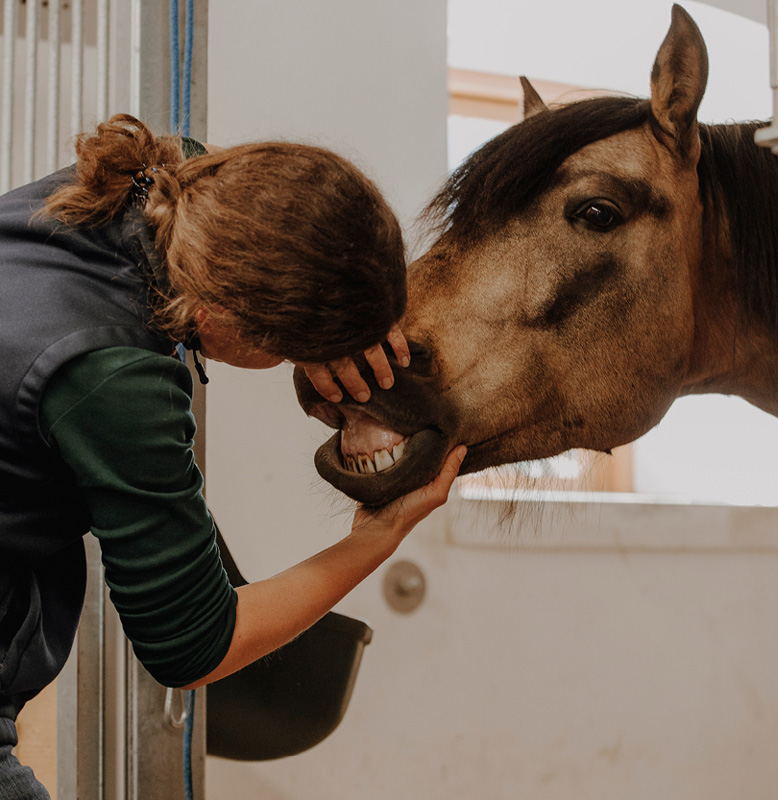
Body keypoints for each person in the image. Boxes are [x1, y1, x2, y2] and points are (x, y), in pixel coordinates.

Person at [0, 114, 466, 798]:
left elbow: (235, 179)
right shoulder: (113, 377)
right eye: (283, 347)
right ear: (227, 318)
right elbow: (195, 645)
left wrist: (344, 308)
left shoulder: (138, 182)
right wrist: (379, 537)